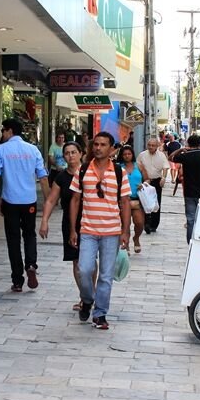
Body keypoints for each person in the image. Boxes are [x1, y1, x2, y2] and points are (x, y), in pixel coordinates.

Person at [69, 132, 131, 330]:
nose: (98, 148)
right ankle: (87, 299)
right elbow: (75, 200)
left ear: (111, 149)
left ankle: (100, 314)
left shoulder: (120, 173)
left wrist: (125, 231)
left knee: (105, 275)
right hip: (87, 229)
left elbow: (125, 202)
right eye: (95, 144)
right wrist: (73, 229)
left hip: (111, 231)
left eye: (103, 145)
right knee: (84, 269)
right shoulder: (83, 170)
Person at [0, 118, 50, 292]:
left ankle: (17, 280)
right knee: (29, 234)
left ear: (9, 131)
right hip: (29, 200)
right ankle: (31, 264)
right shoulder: (33, 150)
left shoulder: (1, 150)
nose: (2, 134)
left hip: (10, 201)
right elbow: (43, 177)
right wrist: (48, 200)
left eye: (3, 131)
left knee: (13, 240)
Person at [39, 141, 94, 311]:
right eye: (67, 153)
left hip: (91, 220)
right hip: (70, 223)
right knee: (77, 262)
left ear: (81, 153)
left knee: (90, 262)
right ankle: (85, 297)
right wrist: (44, 220)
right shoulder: (61, 177)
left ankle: (92, 293)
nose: (70, 156)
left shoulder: (89, 172)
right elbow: (51, 199)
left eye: (73, 152)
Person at [117, 144, 147, 252]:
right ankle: (126, 244)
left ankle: (136, 238)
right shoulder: (117, 167)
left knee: (139, 222)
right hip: (123, 199)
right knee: (125, 224)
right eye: (124, 154)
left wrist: (143, 185)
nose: (127, 156)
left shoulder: (138, 165)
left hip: (137, 199)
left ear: (132, 155)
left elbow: (147, 179)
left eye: (129, 154)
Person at [137, 137, 169, 235]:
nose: (151, 147)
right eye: (149, 145)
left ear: (157, 146)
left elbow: (165, 167)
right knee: (144, 201)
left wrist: (163, 178)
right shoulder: (142, 155)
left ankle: (154, 225)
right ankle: (146, 223)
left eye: (153, 145)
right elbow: (138, 167)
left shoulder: (161, 155)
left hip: (156, 181)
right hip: (145, 181)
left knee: (156, 202)